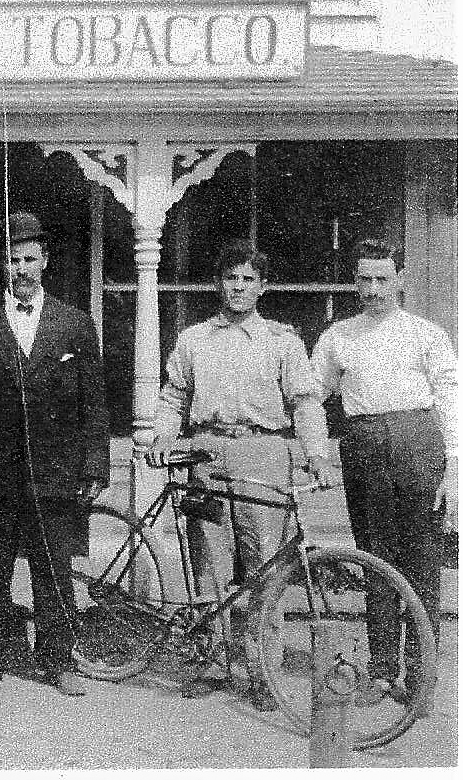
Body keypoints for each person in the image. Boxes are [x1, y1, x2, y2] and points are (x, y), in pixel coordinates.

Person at [147, 240, 330, 708]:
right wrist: (164, 437)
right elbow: (173, 397)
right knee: (208, 557)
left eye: (248, 279)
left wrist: (317, 454)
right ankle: (211, 659)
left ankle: (262, 670)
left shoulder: (282, 341)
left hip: (262, 452)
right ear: (218, 283)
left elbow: (305, 403)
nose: (238, 287)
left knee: (265, 562)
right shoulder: (193, 339)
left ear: (262, 286)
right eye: (231, 278)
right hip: (205, 453)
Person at [0, 213, 109, 696]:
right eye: (14, 260)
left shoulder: (75, 324)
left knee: (54, 568)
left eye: (30, 258)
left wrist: (95, 463)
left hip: (56, 470)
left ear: (46, 261)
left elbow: (93, 399)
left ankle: (58, 661)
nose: (22, 268)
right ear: (4, 264)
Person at [310, 237, 457, 704]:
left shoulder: (426, 334)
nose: (372, 289)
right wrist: (313, 445)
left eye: (382, 279)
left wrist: (454, 468)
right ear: (354, 281)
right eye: (363, 279)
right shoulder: (338, 336)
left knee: (420, 561)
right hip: (364, 445)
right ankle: (380, 668)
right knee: (373, 556)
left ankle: (421, 676)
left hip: (418, 446)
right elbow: (312, 392)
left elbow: (453, 402)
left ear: (399, 279)